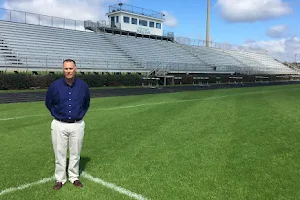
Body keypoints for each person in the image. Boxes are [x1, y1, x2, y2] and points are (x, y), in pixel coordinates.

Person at [45, 59, 90, 190]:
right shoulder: (55, 86)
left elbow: (86, 103)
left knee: (75, 152)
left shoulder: (83, 86)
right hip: (59, 124)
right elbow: (49, 102)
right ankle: (60, 179)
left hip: (77, 124)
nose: (68, 71)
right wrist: (57, 114)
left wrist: (79, 114)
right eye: (66, 69)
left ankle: (74, 177)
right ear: (63, 70)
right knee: (60, 153)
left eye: (70, 68)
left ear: (75, 69)